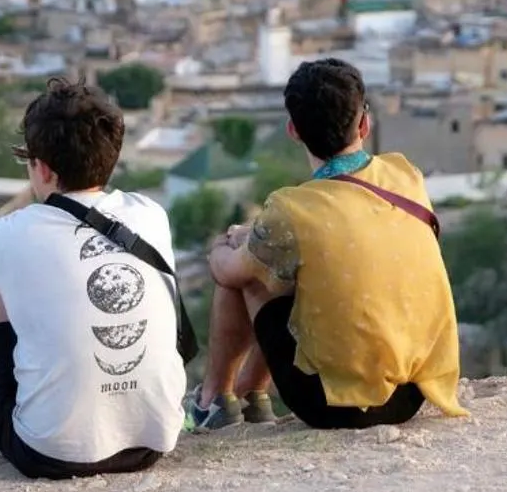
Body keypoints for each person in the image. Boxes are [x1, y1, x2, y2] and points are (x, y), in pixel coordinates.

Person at [0, 79, 187, 480]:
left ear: (41, 167)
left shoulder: (15, 232)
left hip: (51, 452)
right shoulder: (149, 213)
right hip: (152, 442)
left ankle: (14, 417)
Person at [191, 58, 468, 431]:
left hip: (336, 407)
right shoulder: (405, 176)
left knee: (251, 273)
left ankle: (216, 401)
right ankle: (248, 397)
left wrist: (224, 244)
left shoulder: (291, 210)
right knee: (280, 258)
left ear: (293, 131)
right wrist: (257, 238)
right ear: (364, 123)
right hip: (415, 391)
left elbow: (228, 271)